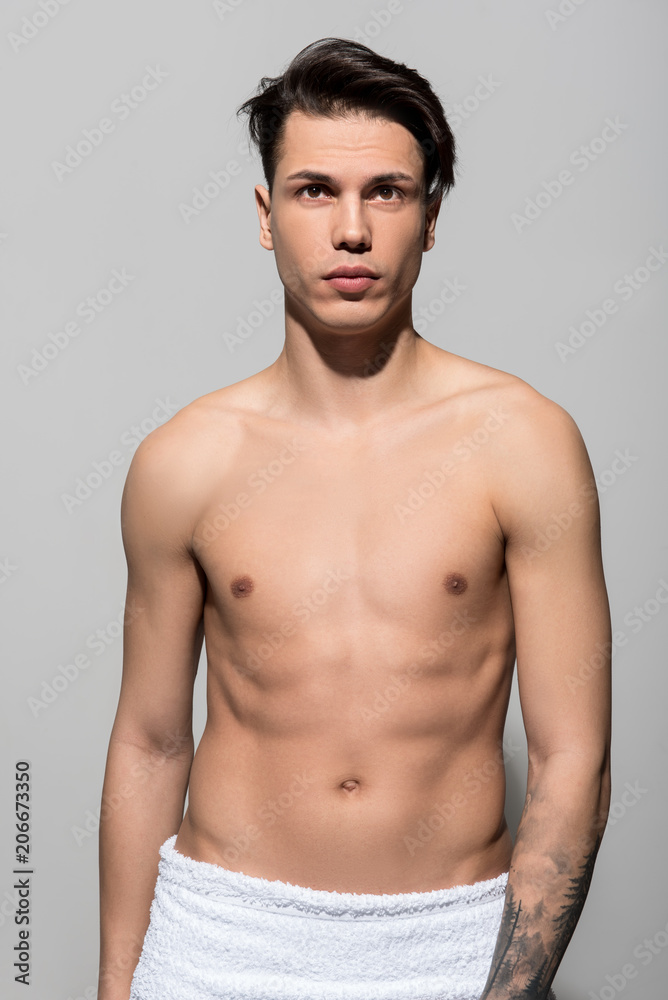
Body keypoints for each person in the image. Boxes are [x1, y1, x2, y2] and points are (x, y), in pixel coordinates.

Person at [97, 36, 611, 1000]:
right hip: (218, 941)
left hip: (450, 943)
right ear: (265, 215)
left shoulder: (523, 442)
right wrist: (116, 985)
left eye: (388, 192)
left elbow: (572, 757)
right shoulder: (185, 461)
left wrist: (509, 992)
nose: (351, 231)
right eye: (313, 191)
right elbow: (150, 742)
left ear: (430, 218)